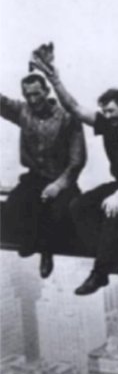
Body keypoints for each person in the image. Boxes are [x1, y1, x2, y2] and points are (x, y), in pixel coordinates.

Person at [29, 44, 118, 294]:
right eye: (105, 111)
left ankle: (100, 273)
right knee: (79, 206)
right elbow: (74, 108)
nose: (108, 115)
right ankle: (110, 251)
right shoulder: (105, 124)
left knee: (112, 214)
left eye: (112, 111)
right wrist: (53, 78)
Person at [0, 49, 86, 278]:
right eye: (27, 95)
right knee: (11, 209)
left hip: (62, 180)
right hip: (35, 178)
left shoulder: (67, 117)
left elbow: (77, 161)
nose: (32, 100)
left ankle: (46, 252)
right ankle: (29, 240)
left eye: (37, 94)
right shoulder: (23, 111)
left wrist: (58, 185)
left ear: (47, 92)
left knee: (57, 215)